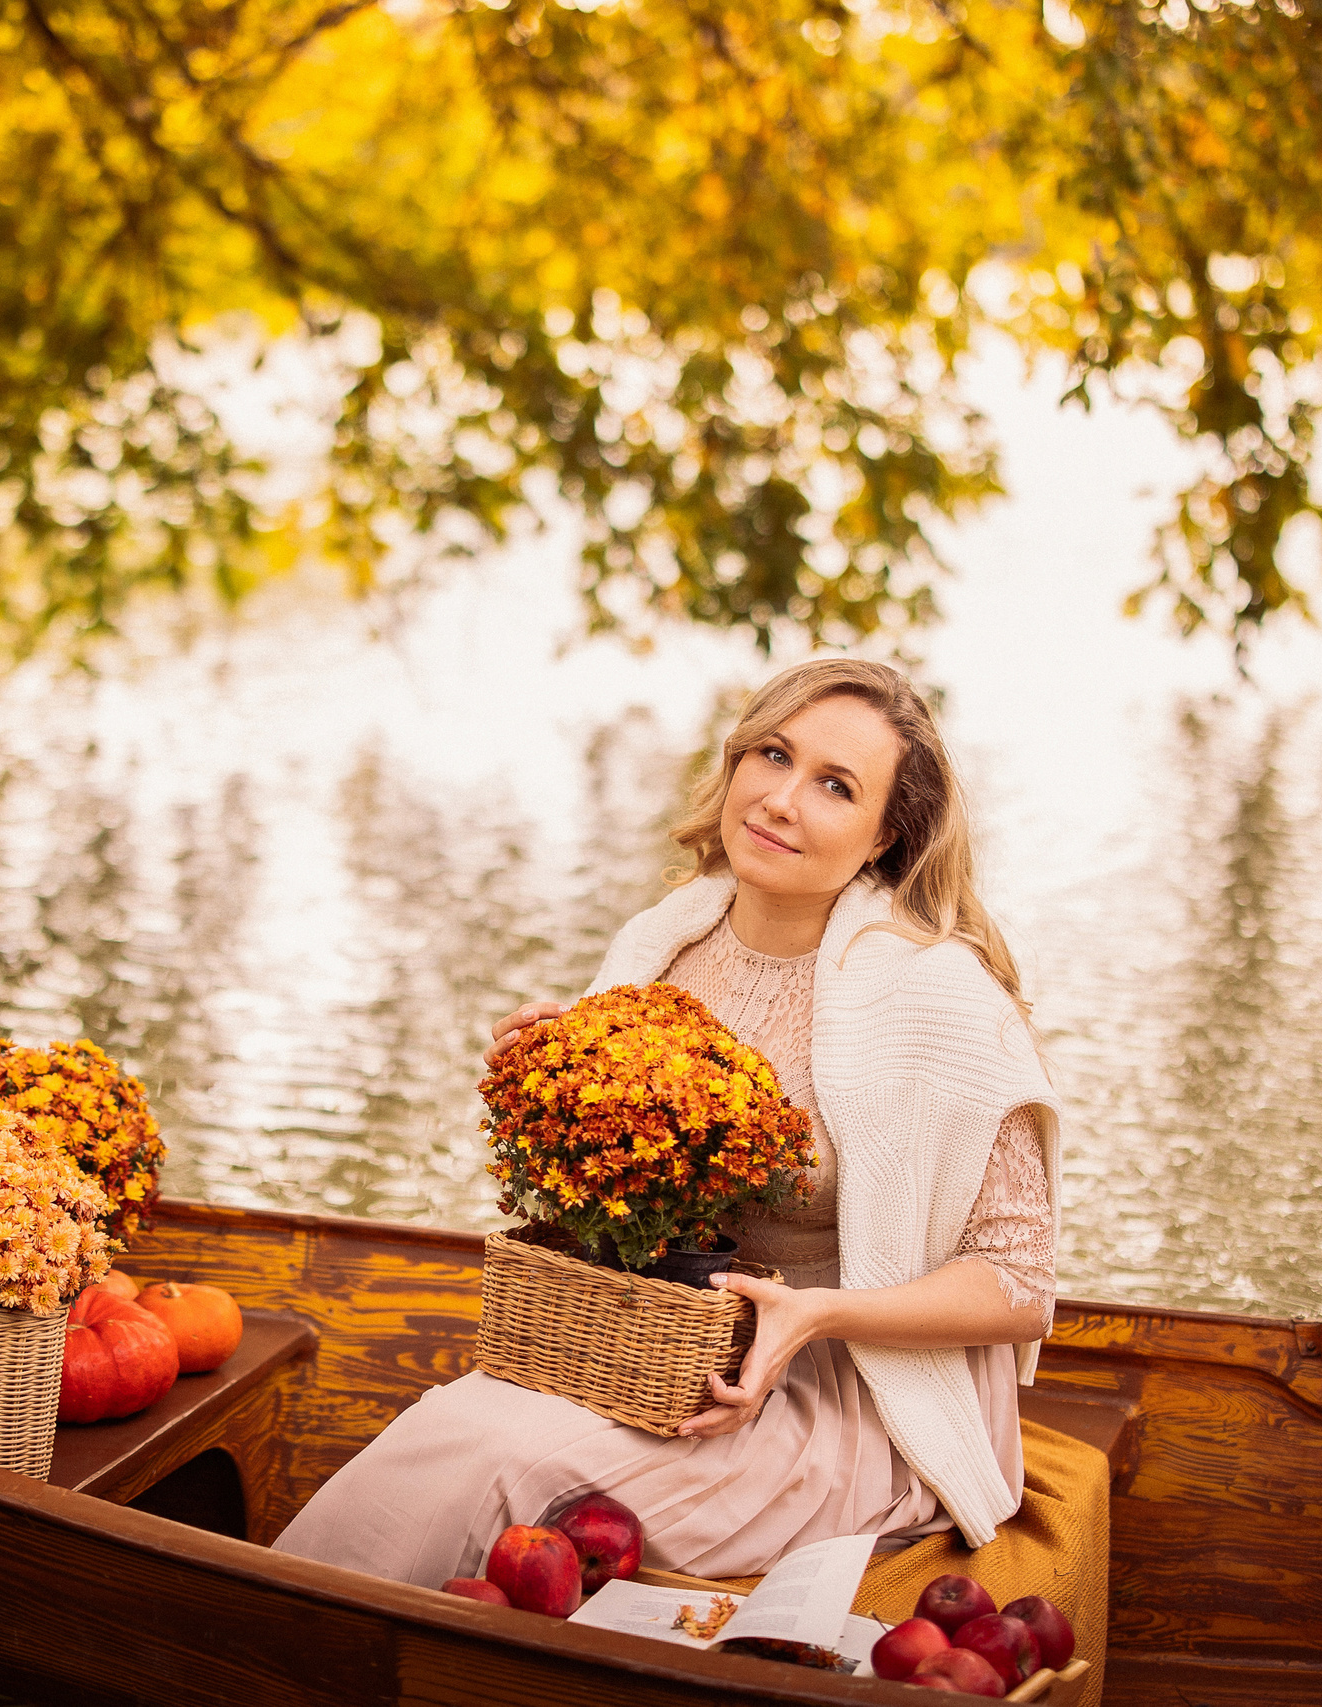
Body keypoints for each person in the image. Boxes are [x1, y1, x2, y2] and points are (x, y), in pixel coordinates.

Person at [271, 658, 1061, 1586]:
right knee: (455, 1420)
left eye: (834, 785)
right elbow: (614, 1213)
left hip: (848, 1389)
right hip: (658, 1344)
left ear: (886, 834)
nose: (779, 798)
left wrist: (816, 1314)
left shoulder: (938, 997)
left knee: (505, 1465)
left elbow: (1020, 1282)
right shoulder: (665, 943)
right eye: (773, 754)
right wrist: (545, 1096)